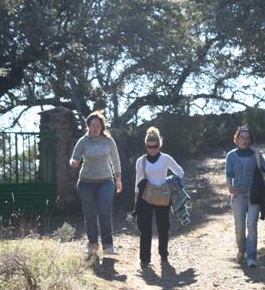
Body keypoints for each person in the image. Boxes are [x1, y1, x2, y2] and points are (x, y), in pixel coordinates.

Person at [70, 110, 122, 263]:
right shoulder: (83, 141)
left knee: (104, 211)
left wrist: (118, 179)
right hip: (86, 182)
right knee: (90, 214)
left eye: (98, 125)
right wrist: (74, 162)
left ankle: (108, 245)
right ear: (88, 126)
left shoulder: (109, 141)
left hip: (106, 181)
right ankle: (92, 244)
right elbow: (74, 157)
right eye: (93, 125)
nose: (95, 128)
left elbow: (116, 160)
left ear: (102, 127)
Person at [134, 127, 184, 269]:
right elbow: (138, 181)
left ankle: (163, 255)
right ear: (146, 145)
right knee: (145, 229)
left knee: (163, 227)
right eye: (149, 146)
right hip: (145, 197)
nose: (152, 149)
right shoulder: (141, 161)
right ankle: (144, 259)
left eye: (155, 146)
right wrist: (135, 202)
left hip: (162, 197)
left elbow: (180, 172)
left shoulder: (166, 158)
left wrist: (169, 184)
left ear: (159, 145)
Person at [225, 126, 265, 268]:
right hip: (238, 196)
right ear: (237, 139)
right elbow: (229, 174)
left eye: (247, 138)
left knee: (252, 225)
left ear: (250, 140)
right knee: (240, 228)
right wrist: (229, 186)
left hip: (254, 195)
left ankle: (251, 257)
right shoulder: (231, 156)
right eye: (242, 137)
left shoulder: (256, 154)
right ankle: (241, 250)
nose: (245, 140)